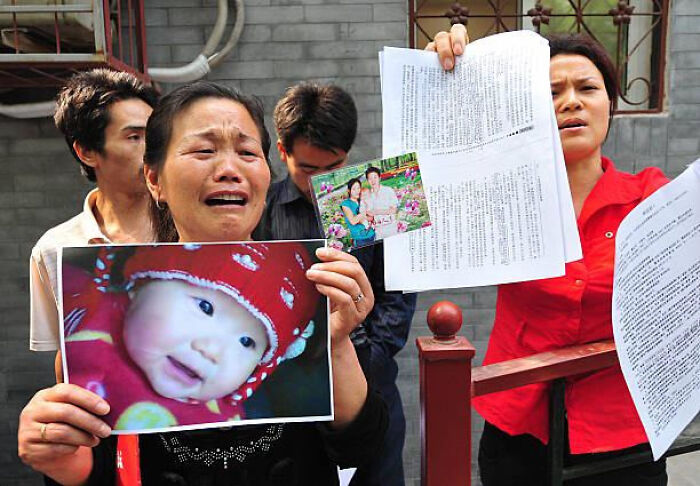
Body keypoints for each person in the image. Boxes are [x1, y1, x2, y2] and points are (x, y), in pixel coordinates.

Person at [18, 81, 387, 486]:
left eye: (247, 152)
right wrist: (62, 458)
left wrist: (335, 344)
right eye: (204, 150)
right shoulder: (93, 342)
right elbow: (97, 470)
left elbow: (357, 447)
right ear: (154, 179)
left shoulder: (309, 298)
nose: (229, 169)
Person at [429, 25, 669, 486]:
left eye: (587, 88)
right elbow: (376, 207)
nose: (571, 101)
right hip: (519, 430)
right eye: (552, 91)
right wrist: (441, 88)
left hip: (624, 437)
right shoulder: (498, 198)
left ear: (610, 105)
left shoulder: (652, 198)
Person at [255, 82, 416, 486]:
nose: (322, 183)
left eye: (335, 167)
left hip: (369, 391)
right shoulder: (260, 210)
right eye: (308, 169)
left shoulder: (375, 202)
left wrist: (364, 362)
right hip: (289, 398)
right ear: (282, 151)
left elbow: (396, 296)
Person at [62, 243, 321, 430]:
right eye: (204, 308)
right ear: (140, 286)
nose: (211, 350)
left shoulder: (231, 424)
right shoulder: (83, 305)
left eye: (246, 342)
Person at [29, 69, 158, 365]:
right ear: (87, 152)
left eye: (155, 136)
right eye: (135, 137)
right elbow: (67, 358)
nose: (152, 151)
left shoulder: (191, 227)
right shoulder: (54, 249)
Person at [362, 166, 399, 239]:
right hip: (377, 230)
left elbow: (394, 210)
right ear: (367, 180)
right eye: (370, 178)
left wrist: (376, 212)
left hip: (390, 227)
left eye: (375, 177)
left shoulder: (388, 191)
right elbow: (367, 212)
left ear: (379, 178)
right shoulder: (367, 195)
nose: (373, 181)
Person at [340, 178, 375, 248]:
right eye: (354, 189)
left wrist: (360, 217)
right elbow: (353, 221)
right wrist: (364, 213)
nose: (357, 191)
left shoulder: (362, 200)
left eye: (358, 188)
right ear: (349, 191)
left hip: (372, 234)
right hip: (359, 239)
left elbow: (371, 217)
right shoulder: (345, 204)